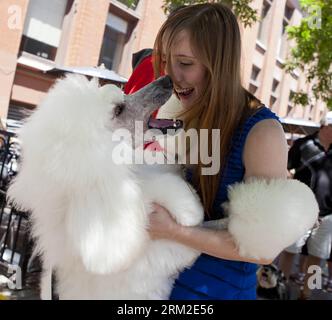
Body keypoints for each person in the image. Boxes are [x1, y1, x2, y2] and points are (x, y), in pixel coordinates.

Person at [126, 3, 317, 300]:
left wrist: (172, 231)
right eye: (167, 62)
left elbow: (261, 249)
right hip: (151, 286)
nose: (171, 77)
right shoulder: (178, 111)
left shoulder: (262, 132)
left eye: (185, 64)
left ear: (219, 63)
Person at [279, 112, 332, 299]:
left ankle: (306, 293)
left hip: (327, 215)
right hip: (300, 210)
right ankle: (281, 288)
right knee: (290, 250)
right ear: (325, 126)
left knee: (317, 256)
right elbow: (283, 167)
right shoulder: (304, 145)